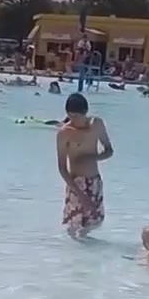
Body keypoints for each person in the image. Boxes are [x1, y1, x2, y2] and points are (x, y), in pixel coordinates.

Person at [57, 93, 113, 238]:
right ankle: (70, 249)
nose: (74, 120)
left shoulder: (96, 124)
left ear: (85, 113)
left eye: (77, 117)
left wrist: (92, 157)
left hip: (94, 181)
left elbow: (109, 150)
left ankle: (85, 248)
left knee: (93, 222)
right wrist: (80, 194)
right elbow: (62, 168)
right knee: (73, 225)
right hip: (76, 183)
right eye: (71, 116)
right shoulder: (64, 133)